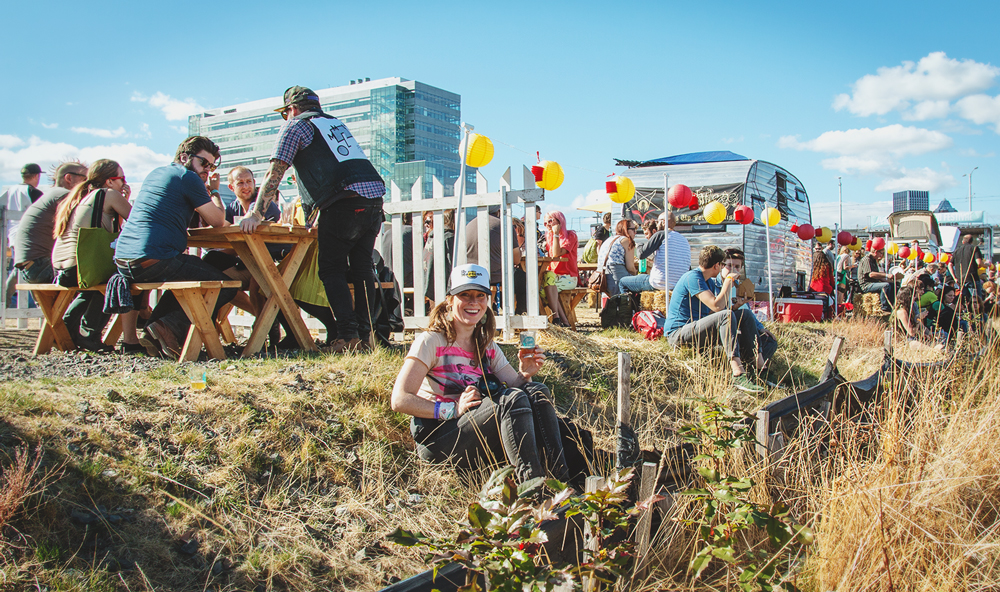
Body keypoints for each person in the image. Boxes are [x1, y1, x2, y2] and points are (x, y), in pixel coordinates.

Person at [390, 263, 568, 486]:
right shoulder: (431, 341)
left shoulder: (486, 344)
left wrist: (525, 373)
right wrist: (452, 409)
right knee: (510, 400)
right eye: (465, 295)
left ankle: (561, 481)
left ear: (488, 300)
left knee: (536, 391)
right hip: (439, 438)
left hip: (475, 430)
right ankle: (531, 488)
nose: (473, 302)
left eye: (480, 296)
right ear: (450, 300)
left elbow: (519, 389)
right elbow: (399, 400)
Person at [240, 86, 387, 354]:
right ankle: (367, 338)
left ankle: (347, 337)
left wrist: (256, 213)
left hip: (343, 202)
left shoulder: (295, 126)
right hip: (374, 200)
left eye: (285, 113)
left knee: (331, 270)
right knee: (362, 268)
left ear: (291, 110)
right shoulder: (334, 124)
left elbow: (276, 170)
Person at [114, 136, 236, 360]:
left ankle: (155, 329)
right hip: (152, 258)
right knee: (225, 286)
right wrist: (215, 191)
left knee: (187, 277)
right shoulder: (187, 177)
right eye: (204, 163)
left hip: (123, 260)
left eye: (211, 166)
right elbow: (217, 221)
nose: (207, 170)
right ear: (184, 157)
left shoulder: (156, 174)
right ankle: (166, 328)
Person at [51, 159, 140, 353]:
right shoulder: (109, 194)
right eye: (121, 178)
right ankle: (89, 333)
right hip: (80, 267)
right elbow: (136, 224)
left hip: (62, 267)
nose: (124, 183)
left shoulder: (84, 196)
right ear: (109, 181)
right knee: (117, 280)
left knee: (94, 287)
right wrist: (124, 198)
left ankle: (68, 327)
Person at [665, 246, 767, 393]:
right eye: (723, 265)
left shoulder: (709, 282)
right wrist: (728, 282)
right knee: (725, 315)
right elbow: (717, 307)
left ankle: (760, 368)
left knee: (745, 315)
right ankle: (737, 372)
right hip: (678, 334)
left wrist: (737, 306)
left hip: (697, 330)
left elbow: (715, 311)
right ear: (716, 265)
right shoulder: (693, 277)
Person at [13, 162, 88, 285]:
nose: (88, 184)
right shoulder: (64, 195)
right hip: (41, 266)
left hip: (32, 267)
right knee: (100, 279)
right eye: (85, 179)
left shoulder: (51, 195)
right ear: (69, 178)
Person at [710, 248, 779, 369]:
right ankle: (747, 366)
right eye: (729, 265)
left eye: (737, 266)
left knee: (769, 341)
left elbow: (748, 312)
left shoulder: (739, 287)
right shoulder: (713, 284)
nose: (733, 269)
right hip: (724, 331)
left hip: (742, 330)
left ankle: (750, 368)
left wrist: (760, 328)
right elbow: (715, 311)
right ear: (721, 266)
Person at [466, 205, 525, 309]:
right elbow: (516, 260)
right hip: (493, 276)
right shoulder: (504, 225)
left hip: (471, 275)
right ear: (499, 211)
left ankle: (493, 309)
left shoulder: (469, 225)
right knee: (524, 279)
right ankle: (520, 315)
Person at [619, 210, 691, 294]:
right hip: (679, 285)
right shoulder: (684, 240)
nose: (656, 225)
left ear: (663, 222)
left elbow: (641, 254)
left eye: (657, 221)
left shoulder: (661, 234)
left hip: (659, 283)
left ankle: (632, 306)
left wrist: (639, 244)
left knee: (623, 282)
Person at [4, 163, 45, 306]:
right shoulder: (34, 192)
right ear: (36, 176)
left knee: (20, 269)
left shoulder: (10, 190)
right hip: (28, 236)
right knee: (24, 270)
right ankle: (6, 300)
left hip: (11, 234)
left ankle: (6, 300)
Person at [541, 210, 578, 327]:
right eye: (545, 223)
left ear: (559, 221)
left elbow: (556, 254)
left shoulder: (570, 236)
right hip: (554, 277)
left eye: (551, 221)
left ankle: (559, 319)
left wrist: (556, 234)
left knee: (547, 289)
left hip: (568, 277)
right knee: (543, 288)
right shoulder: (548, 239)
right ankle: (562, 321)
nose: (548, 225)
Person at [595, 219, 636, 296]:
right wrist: (636, 275)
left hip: (602, 278)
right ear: (625, 229)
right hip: (616, 275)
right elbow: (630, 268)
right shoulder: (626, 240)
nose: (635, 232)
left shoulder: (609, 239)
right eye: (633, 229)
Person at [424, 209, 455, 302]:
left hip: (429, 284)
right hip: (443, 286)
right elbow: (451, 265)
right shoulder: (448, 237)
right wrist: (450, 289)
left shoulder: (432, 237)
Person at [857, 245, 895, 312]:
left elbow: (879, 277)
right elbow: (871, 274)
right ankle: (884, 307)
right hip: (866, 285)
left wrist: (892, 281)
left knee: (892, 285)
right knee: (885, 286)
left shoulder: (874, 260)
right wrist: (887, 275)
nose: (881, 255)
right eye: (881, 253)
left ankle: (893, 305)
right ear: (876, 252)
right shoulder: (866, 260)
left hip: (874, 283)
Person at [949, 234, 984, 298]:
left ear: (963, 242)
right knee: (976, 301)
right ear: (972, 242)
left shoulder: (957, 251)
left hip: (960, 280)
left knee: (963, 301)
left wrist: (954, 277)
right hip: (972, 279)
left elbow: (950, 264)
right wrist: (986, 265)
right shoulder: (974, 248)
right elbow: (979, 262)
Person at [810, 250, 836, 318]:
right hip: (825, 291)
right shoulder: (827, 266)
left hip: (813, 291)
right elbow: (832, 281)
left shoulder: (811, 267)